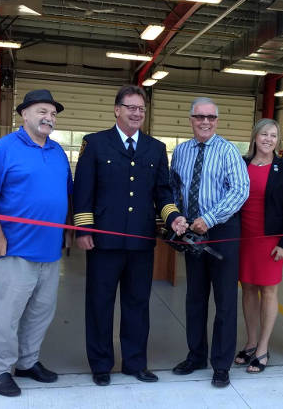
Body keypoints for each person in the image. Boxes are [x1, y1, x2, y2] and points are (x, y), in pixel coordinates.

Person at [73, 85, 187, 387]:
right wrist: (83, 229)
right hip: (104, 242)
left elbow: (163, 192)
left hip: (140, 241)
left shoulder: (155, 148)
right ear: (117, 109)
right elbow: (83, 190)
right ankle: (100, 364)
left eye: (141, 109)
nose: (137, 113)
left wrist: (173, 217)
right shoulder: (95, 143)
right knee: (100, 303)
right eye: (131, 107)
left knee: (137, 304)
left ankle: (135, 363)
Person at [0, 89, 72, 397]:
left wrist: (67, 230)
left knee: (41, 311)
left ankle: (28, 363)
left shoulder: (57, 152)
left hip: (49, 251)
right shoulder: (4, 148)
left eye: (53, 114)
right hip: (14, 249)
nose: (49, 118)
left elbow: (64, 194)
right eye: (42, 111)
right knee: (7, 314)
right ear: (24, 114)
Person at [170, 97, 249, 388]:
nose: (205, 122)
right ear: (190, 119)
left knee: (225, 301)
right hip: (192, 233)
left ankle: (221, 364)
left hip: (222, 231)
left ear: (217, 120)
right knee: (195, 298)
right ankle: (196, 356)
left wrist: (210, 218)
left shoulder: (229, 151)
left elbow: (240, 190)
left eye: (211, 117)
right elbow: (174, 188)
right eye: (200, 116)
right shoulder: (180, 152)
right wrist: (177, 218)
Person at [234, 118, 283, 373]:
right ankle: (250, 342)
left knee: (268, 292)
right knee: (248, 289)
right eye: (264, 134)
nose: (268, 139)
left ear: (277, 140)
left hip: (271, 239)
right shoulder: (242, 163)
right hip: (243, 238)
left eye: (273, 135)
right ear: (255, 137)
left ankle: (262, 348)